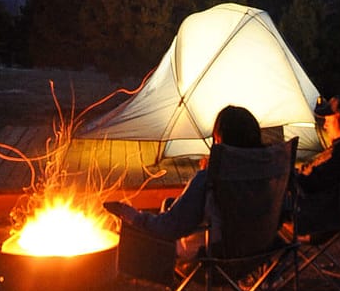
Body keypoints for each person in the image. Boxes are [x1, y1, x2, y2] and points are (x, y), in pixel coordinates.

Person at [104, 104, 262, 258]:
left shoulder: (209, 180)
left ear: (219, 140)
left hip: (213, 260)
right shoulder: (270, 174)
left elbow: (168, 228)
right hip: (258, 253)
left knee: (146, 232)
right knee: (170, 203)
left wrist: (128, 214)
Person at [295, 93, 340, 235]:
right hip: (327, 208)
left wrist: (288, 176)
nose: (325, 125)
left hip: (317, 215)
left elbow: (310, 184)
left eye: (328, 120)